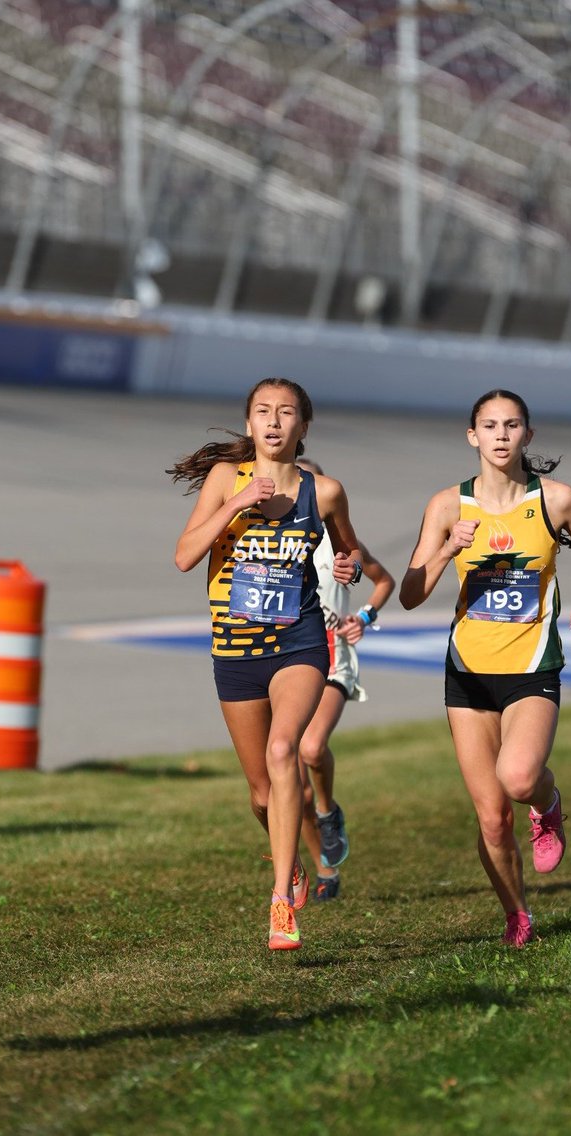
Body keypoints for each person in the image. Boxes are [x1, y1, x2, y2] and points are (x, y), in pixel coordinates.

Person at [399, 389, 571, 947]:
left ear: (528, 435)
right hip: (467, 674)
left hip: (531, 668)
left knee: (518, 778)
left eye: (512, 425)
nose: (500, 435)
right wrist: (447, 547)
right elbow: (409, 594)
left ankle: (548, 803)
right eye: (490, 426)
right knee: (492, 819)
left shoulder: (557, 500)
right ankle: (517, 915)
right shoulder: (448, 505)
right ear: (472, 436)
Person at [170, 379, 363, 951]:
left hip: (298, 643)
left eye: (286, 414)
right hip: (234, 650)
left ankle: (281, 900)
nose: (274, 422)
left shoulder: (322, 491)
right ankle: (297, 866)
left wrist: (347, 567)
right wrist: (234, 504)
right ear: (249, 424)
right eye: (263, 412)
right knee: (261, 792)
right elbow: (183, 557)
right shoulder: (224, 480)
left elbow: (349, 549)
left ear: (304, 426)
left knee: (286, 752)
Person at [296, 457, 395, 901]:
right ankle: (324, 870)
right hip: (288, 660)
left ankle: (328, 810)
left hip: (335, 658)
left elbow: (383, 580)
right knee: (289, 785)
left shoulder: (340, 544)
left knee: (312, 747)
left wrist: (365, 616)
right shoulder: (272, 538)